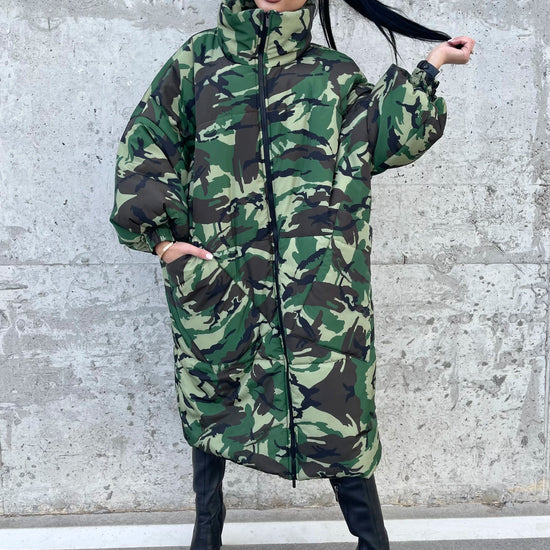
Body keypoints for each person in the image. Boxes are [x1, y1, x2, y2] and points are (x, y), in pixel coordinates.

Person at [110, 1, 474, 548]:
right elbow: (146, 144)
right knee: (214, 407)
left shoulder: (333, 74)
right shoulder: (197, 63)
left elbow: (383, 139)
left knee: (340, 420)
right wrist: (166, 245)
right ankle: (205, 539)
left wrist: (431, 66)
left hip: (320, 294)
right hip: (221, 285)